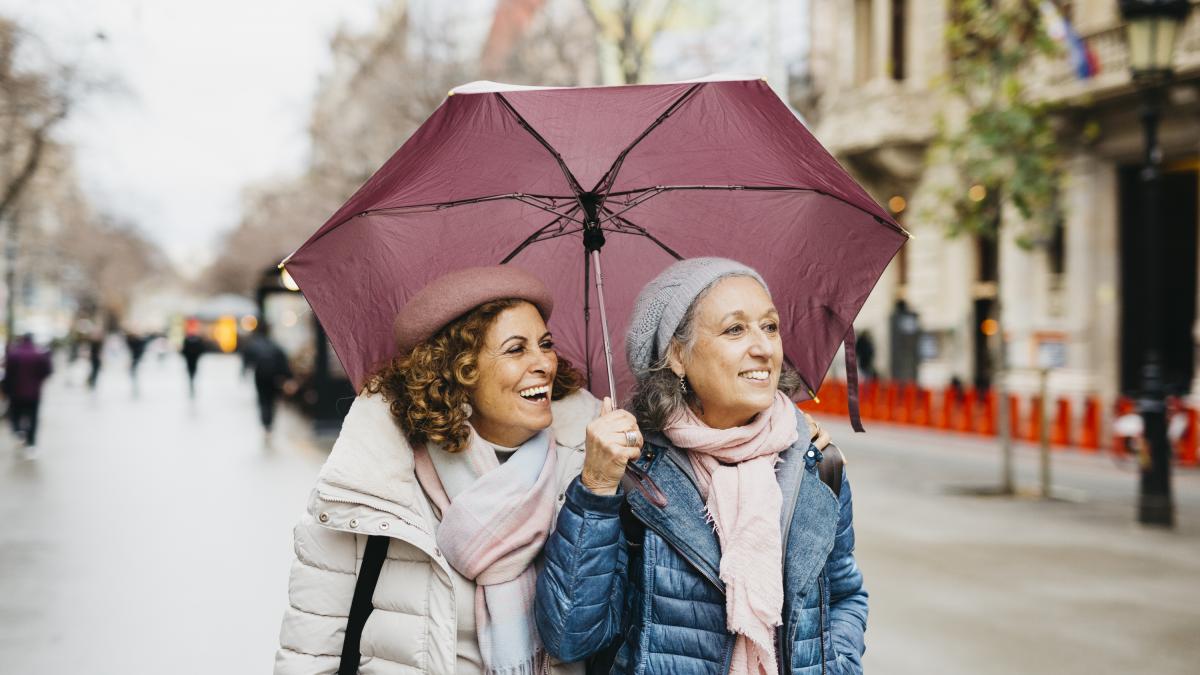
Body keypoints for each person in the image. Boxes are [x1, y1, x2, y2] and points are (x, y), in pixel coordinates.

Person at [536, 257, 868, 675]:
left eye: (769, 326)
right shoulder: (631, 473)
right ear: (677, 355)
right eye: (735, 329)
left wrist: (837, 666)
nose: (764, 348)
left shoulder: (815, 465)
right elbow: (569, 635)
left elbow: (844, 597)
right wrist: (597, 487)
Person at [275, 266, 599, 675]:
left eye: (545, 343)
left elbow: (589, 633)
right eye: (516, 349)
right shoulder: (370, 484)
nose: (545, 364)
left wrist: (599, 492)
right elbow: (310, 653)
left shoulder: (585, 466)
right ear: (458, 371)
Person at [4, 334, 53, 449]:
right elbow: (48, 371)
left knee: (16, 414)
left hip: (16, 392)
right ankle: (31, 442)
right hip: (34, 392)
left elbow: (8, 374)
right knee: (33, 417)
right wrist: (38, 380)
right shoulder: (39, 354)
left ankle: (19, 431)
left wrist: (7, 389)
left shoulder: (14, 354)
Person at [244, 324, 292, 433]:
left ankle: (265, 421)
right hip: (273, 377)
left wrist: (245, 371)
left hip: (260, 376)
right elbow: (283, 362)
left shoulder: (254, 345)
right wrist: (287, 376)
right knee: (271, 399)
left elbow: (247, 359)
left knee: (263, 399)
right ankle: (268, 422)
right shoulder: (274, 345)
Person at [181, 329, 207, 398]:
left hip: (191, 358)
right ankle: (192, 378)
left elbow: (184, 350)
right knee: (192, 368)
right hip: (192, 358)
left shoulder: (188, 340)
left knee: (191, 368)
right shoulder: (194, 340)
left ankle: (191, 378)